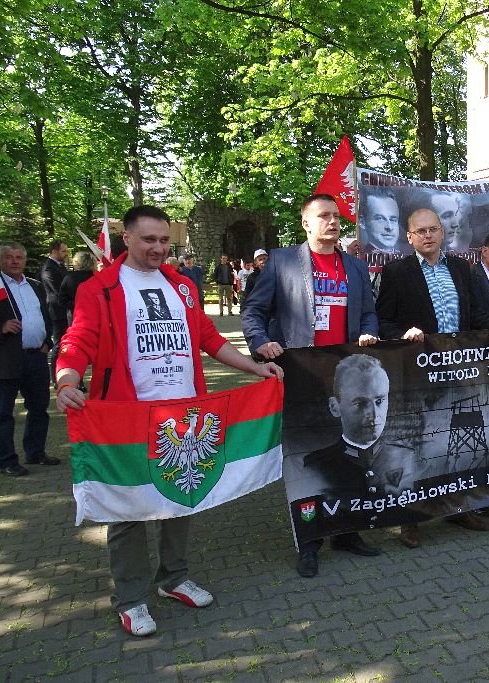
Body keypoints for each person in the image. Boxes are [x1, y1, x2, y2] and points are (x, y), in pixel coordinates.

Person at [55, 205, 282, 637]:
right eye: (149, 240)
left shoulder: (182, 286)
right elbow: (77, 339)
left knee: (182, 494)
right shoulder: (99, 288)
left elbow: (208, 338)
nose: (159, 248)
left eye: (164, 240)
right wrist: (67, 379)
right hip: (126, 418)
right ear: (127, 238)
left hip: (183, 414)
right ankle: (130, 599)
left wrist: (254, 367)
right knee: (128, 509)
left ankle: (173, 578)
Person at [241, 193, 381, 578]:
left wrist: (368, 333)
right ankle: (309, 540)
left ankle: (347, 532)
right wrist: (260, 342)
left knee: (351, 455)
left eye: (336, 216)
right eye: (323, 216)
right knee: (306, 461)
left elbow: (369, 314)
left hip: (345, 377)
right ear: (305, 223)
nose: (332, 222)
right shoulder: (282, 262)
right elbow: (253, 311)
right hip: (302, 377)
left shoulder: (355, 267)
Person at [376, 208, 489, 548]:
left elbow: (475, 313)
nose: (427, 235)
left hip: (460, 370)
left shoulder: (461, 268)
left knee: (457, 439)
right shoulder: (396, 272)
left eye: (433, 229)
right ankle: (410, 518)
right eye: (421, 231)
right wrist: (402, 334)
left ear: (442, 233)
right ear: (409, 237)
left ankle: (457, 506)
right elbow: (383, 321)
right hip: (418, 372)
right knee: (417, 442)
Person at [0, 242, 57, 476]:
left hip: (36, 357)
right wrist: (0, 327)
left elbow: (45, 316)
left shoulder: (35, 285)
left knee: (39, 407)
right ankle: (7, 460)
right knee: (3, 412)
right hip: (5, 358)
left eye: (19, 257)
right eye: (9, 257)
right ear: (0, 260)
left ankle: (36, 452)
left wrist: (47, 341)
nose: (15, 261)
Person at [300, 355, 414, 500]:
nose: (373, 415)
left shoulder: (408, 457)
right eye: (360, 404)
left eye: (379, 401)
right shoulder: (315, 466)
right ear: (334, 407)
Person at [40, 240, 69, 386]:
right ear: (53, 252)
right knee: (58, 344)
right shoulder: (48, 269)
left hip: (65, 310)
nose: (66, 254)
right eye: (63, 251)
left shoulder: (61, 266)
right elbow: (59, 290)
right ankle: (55, 378)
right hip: (57, 312)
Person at [361, 188, 403, 253]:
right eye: (380, 218)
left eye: (393, 219)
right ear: (362, 222)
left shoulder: (407, 254)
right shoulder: (359, 257)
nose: (389, 227)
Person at [60, 251, 97, 324]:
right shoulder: (97, 278)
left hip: (75, 315)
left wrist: (75, 305)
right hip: (94, 314)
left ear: (77, 263)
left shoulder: (69, 278)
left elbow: (62, 299)